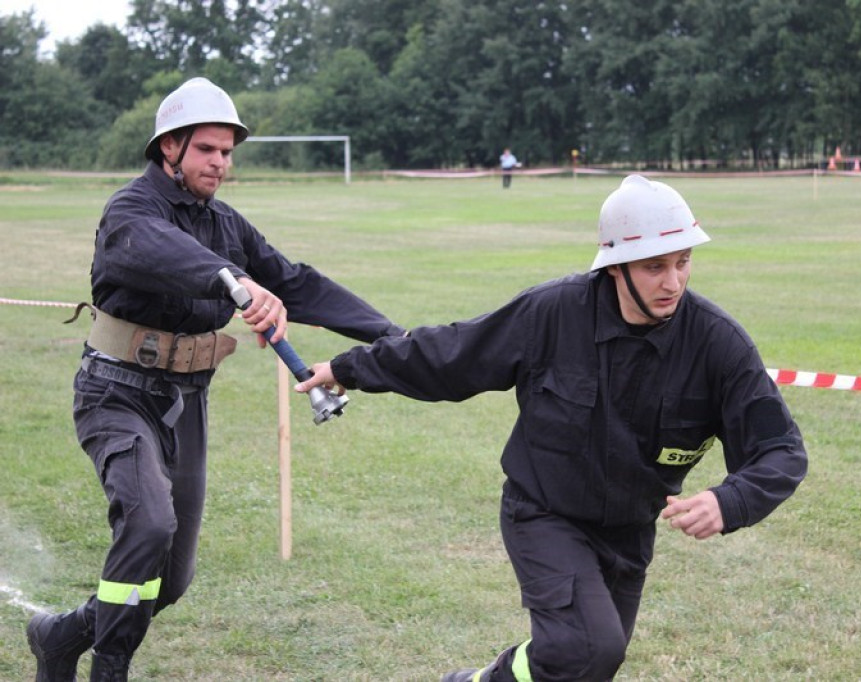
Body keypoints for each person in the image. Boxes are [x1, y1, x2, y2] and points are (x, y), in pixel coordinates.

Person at [296, 174, 809, 681]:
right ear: (616, 266)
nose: (673, 282)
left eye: (683, 262)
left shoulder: (718, 344)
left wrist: (730, 499)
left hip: (629, 531)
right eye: (655, 266)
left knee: (583, 666)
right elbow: (455, 355)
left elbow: (781, 450)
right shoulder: (553, 312)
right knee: (590, 648)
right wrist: (350, 369)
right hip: (544, 512)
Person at [26, 77, 404, 682]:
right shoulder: (131, 211)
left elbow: (297, 282)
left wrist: (390, 334)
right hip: (115, 394)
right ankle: (110, 669)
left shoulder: (225, 224)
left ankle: (61, 635)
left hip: (187, 403)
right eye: (207, 150)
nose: (220, 164)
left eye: (227, 152)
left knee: (170, 579)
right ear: (170, 148)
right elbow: (156, 251)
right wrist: (234, 281)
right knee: (149, 523)